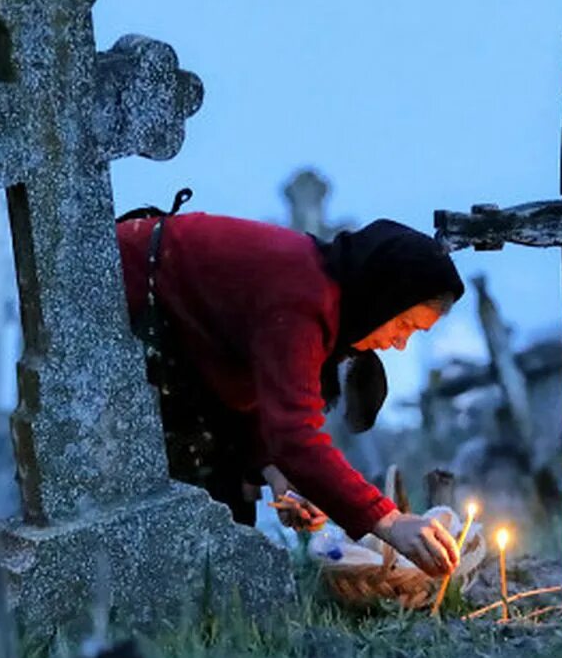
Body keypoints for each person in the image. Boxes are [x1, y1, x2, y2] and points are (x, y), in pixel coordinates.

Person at [116, 191, 463, 577]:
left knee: (225, 503)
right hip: (121, 296)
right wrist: (389, 522)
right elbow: (294, 435)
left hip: (179, 345)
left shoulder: (320, 297)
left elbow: (250, 379)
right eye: (405, 325)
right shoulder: (301, 298)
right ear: (382, 298)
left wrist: (277, 472)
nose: (400, 344)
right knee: (203, 492)